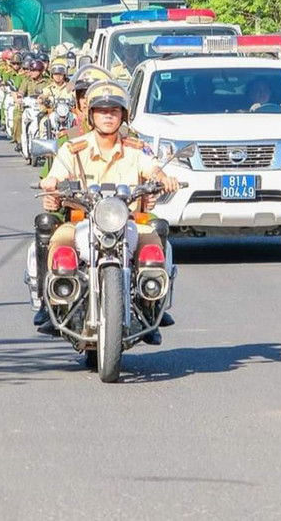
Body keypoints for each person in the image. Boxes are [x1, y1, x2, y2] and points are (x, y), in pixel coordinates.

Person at [36, 80, 180, 342]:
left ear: (122, 116)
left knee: (155, 241)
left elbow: (152, 168)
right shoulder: (73, 149)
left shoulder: (136, 149)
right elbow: (56, 174)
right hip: (82, 222)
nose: (108, 116)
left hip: (129, 223)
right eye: (102, 111)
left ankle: (152, 305)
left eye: (114, 111)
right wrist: (51, 183)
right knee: (58, 244)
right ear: (91, 115)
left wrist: (163, 177)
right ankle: (52, 303)